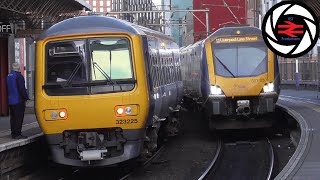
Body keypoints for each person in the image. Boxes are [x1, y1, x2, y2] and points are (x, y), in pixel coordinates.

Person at [6, 62, 29, 139]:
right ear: (19, 68)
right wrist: (26, 97)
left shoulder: (8, 76)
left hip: (11, 100)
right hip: (18, 100)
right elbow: (22, 89)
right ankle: (18, 134)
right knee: (19, 117)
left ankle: (13, 133)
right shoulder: (19, 76)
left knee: (13, 118)